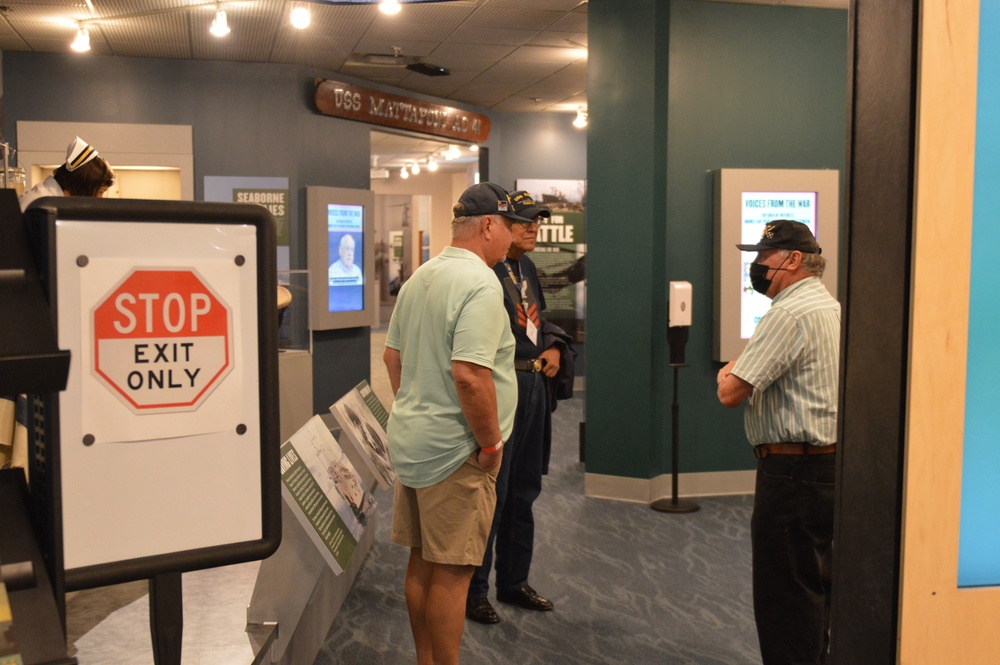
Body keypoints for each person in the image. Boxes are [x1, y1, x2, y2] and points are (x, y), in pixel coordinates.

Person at [383, 182, 532, 665]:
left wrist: (418, 403)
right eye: (509, 227)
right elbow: (470, 375)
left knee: (422, 562)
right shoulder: (481, 284)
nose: (512, 239)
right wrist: (490, 444)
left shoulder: (420, 276)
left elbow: (392, 358)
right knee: (452, 572)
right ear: (488, 225)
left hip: (415, 441)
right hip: (456, 452)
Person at [715, 219, 840, 665]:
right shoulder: (830, 307)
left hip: (792, 477)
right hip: (826, 471)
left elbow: (731, 392)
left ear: (792, 260)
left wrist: (727, 369)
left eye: (763, 256)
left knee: (785, 595)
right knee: (815, 586)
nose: (756, 265)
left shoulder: (787, 313)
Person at [466, 191, 565, 624]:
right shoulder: (485, 269)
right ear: (499, 224)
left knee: (525, 489)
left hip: (535, 384)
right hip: (503, 384)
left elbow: (537, 319)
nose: (532, 228)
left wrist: (555, 346)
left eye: (536, 221)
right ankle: (474, 591)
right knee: (495, 493)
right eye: (523, 221)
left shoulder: (526, 268)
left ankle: (513, 580)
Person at [19, 136, 116, 211]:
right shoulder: (36, 203)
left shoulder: (56, 202)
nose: (100, 199)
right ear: (82, 184)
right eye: (100, 192)